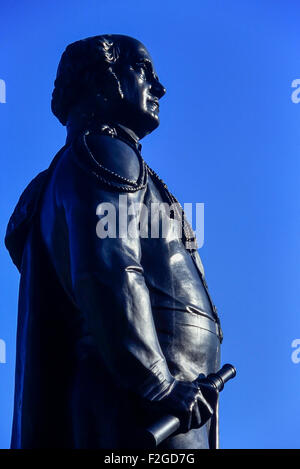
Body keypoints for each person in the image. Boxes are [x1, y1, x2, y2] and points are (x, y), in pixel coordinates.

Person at [5, 34, 223, 449]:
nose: (158, 86)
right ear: (103, 80)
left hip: (151, 404)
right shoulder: (105, 152)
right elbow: (109, 270)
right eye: (143, 70)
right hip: (142, 412)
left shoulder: (81, 163)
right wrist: (157, 383)